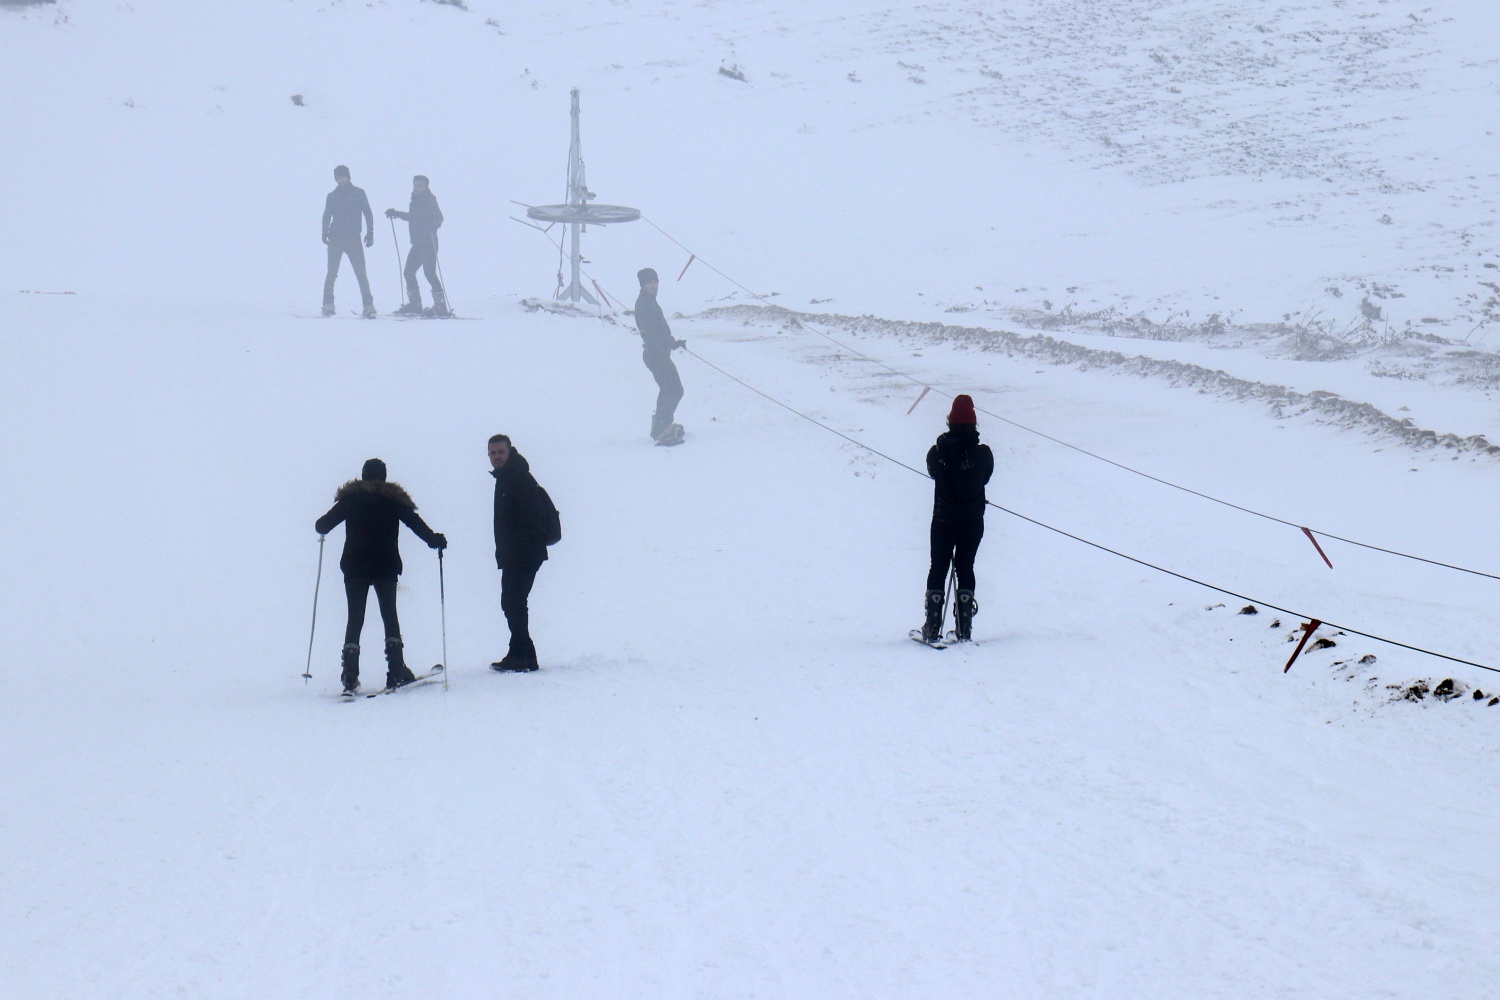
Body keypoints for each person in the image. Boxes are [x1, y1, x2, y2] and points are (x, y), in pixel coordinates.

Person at [315, 458, 446, 693]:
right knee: (389, 615)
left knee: (355, 618)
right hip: (385, 565)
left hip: (355, 566)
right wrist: (434, 540)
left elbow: (323, 525)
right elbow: (416, 525)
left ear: (363, 476)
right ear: (384, 477)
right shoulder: (393, 501)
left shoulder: (351, 499)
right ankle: (396, 670)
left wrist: (323, 526)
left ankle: (350, 676)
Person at [922, 395, 994, 643]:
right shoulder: (983, 454)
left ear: (950, 421)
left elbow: (933, 472)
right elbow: (984, 478)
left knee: (938, 568)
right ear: (974, 424)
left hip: (943, 519)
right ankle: (965, 627)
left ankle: (932, 626)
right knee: (965, 567)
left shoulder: (938, 452)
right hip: (972, 521)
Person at [488, 434, 550, 672]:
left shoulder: (518, 477)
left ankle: (522, 655)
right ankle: (523, 655)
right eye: (492, 453)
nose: (496, 457)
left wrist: (516, 547)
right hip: (515, 553)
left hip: (524, 553)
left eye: (500, 452)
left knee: (513, 602)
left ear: (509, 451)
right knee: (512, 602)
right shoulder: (505, 477)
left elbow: (530, 517)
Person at [633, 267, 687, 444]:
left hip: (658, 353)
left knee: (668, 389)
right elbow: (651, 333)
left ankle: (660, 428)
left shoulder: (650, 301)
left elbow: (660, 331)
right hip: (655, 355)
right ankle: (664, 428)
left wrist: (672, 342)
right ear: (643, 285)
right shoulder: (644, 304)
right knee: (675, 389)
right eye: (649, 282)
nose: (654, 285)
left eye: (655, 281)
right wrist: (665, 344)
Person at [384, 174, 448, 317]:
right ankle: (415, 304)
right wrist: (396, 214)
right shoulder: (415, 201)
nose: (417, 188)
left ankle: (440, 305)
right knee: (408, 272)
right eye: (415, 185)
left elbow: (439, 218)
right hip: (419, 243)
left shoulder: (429, 200)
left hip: (429, 242)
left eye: (420, 186)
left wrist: (433, 225)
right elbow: (413, 218)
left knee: (429, 273)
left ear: (426, 187)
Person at [321, 165, 376, 318]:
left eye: (343, 177)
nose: (341, 180)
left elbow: (368, 213)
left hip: (354, 239)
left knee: (361, 274)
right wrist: (324, 231)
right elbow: (327, 215)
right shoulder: (332, 196)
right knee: (332, 273)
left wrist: (370, 233)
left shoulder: (359, 193)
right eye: (338, 177)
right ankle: (328, 304)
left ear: (348, 177)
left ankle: (368, 305)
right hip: (336, 239)